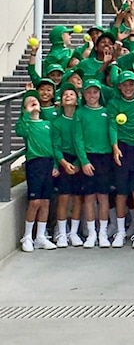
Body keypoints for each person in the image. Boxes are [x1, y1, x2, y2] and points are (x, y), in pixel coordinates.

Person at [107, 71, 134, 248]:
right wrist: (115, 147)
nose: (128, 87)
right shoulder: (113, 103)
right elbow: (112, 126)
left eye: (131, 84)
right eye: (125, 84)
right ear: (119, 86)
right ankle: (121, 232)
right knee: (121, 193)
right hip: (122, 150)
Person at [17, 91, 60, 252]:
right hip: (35, 163)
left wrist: (55, 165)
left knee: (46, 202)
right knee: (34, 202)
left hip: (48, 163)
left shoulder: (47, 124)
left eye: (35, 100)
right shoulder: (26, 124)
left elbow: (54, 146)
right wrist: (26, 114)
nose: (33, 102)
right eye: (29, 102)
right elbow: (20, 131)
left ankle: (40, 236)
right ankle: (27, 236)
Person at [73, 79, 113, 248]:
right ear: (83, 94)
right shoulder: (80, 113)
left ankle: (103, 233)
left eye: (95, 92)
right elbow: (78, 139)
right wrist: (84, 161)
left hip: (104, 157)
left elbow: (113, 134)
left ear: (99, 94)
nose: (92, 95)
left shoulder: (107, 112)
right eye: (88, 92)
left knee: (103, 197)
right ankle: (92, 233)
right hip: (88, 158)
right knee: (89, 197)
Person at [52, 83, 84, 248]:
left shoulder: (81, 118)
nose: (68, 97)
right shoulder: (57, 123)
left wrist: (79, 163)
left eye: (71, 94)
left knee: (78, 198)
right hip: (64, 160)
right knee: (64, 198)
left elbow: (84, 142)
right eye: (65, 95)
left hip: (80, 159)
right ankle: (62, 234)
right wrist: (63, 163)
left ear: (77, 100)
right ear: (61, 101)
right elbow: (56, 147)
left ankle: (74, 233)